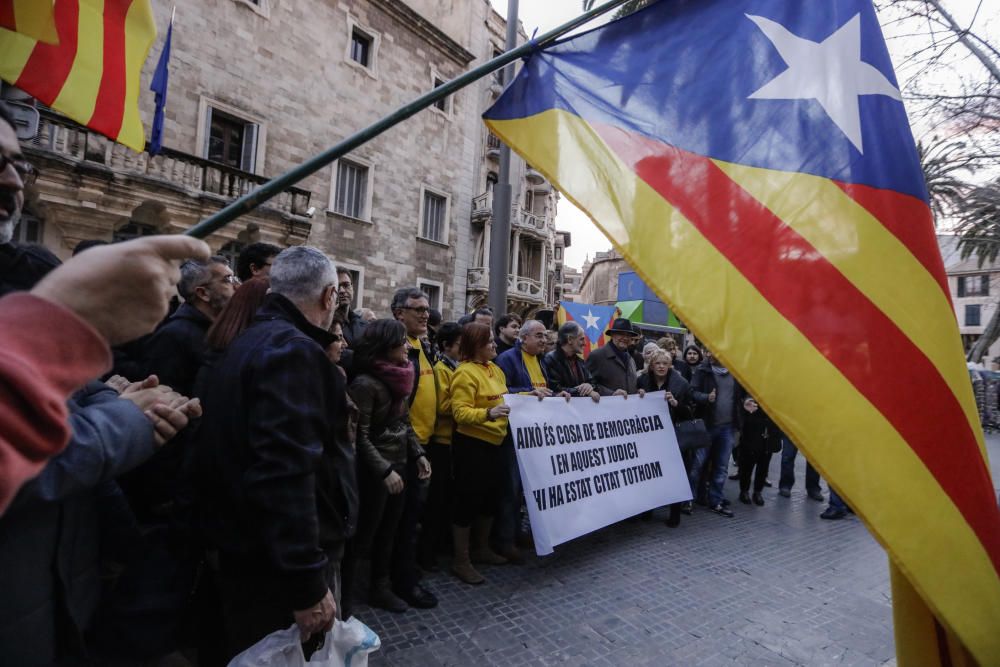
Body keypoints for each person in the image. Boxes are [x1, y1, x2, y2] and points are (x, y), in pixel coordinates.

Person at [195, 247, 357, 658]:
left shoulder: (247, 341)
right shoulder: (293, 352)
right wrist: (307, 584)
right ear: (328, 297)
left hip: (247, 549)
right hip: (273, 566)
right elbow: (284, 474)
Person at [348, 320, 431, 613]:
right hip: (376, 473)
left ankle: (380, 586)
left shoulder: (401, 377)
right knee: (366, 533)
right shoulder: (365, 384)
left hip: (400, 465)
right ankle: (346, 597)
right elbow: (360, 435)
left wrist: (418, 453)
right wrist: (384, 470)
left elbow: (403, 423)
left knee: (391, 531)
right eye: (402, 343)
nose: (408, 347)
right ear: (386, 347)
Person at [449, 322, 512, 584]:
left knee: (490, 499)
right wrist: (488, 413)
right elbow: (460, 413)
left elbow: (506, 400)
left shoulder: (495, 369)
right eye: (489, 342)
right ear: (476, 346)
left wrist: (532, 395)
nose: (495, 345)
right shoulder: (465, 373)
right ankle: (461, 561)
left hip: (495, 445)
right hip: (471, 446)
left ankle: (482, 549)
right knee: (467, 502)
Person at [389, 287, 439, 609]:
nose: (425, 314)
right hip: (404, 449)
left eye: (426, 308)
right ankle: (402, 584)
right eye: (417, 309)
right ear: (398, 314)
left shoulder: (422, 344)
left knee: (414, 518)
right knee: (402, 523)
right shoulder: (396, 348)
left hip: (423, 445)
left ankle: (406, 572)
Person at [494, 320, 555, 562]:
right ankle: (504, 540)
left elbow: (544, 388)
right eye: (539, 336)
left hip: (534, 436)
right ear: (524, 338)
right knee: (510, 489)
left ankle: (518, 533)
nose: (543, 340)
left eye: (545, 336)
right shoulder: (508, 359)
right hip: (512, 436)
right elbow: (502, 391)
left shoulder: (541, 360)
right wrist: (528, 393)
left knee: (523, 490)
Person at [143, 256, 237, 397]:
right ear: (203, 293)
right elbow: (165, 396)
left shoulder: (223, 329)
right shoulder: (173, 336)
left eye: (235, 278)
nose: (237, 286)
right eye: (228, 280)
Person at [419, 321, 462, 571]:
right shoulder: (440, 369)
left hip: (454, 442)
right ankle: (428, 552)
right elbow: (442, 406)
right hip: (441, 442)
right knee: (436, 501)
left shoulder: (455, 366)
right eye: (459, 345)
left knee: (448, 499)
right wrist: (466, 403)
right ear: (447, 346)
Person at [637, 349, 696, 527]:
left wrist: (676, 404)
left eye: (665, 363)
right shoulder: (642, 381)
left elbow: (690, 412)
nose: (661, 366)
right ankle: (648, 509)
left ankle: (675, 512)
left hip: (673, 437)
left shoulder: (681, 383)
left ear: (670, 365)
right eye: (657, 363)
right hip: (650, 436)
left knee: (674, 476)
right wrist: (637, 396)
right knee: (650, 473)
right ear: (651, 365)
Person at [689, 350, 743, 517]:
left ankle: (716, 500)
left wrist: (747, 402)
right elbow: (692, 392)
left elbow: (743, 395)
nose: (715, 354)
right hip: (706, 426)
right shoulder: (702, 370)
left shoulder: (736, 372)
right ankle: (688, 500)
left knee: (721, 467)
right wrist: (706, 397)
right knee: (697, 465)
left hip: (727, 427)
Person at [737, 396, 781, 506]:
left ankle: (758, 492)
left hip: (770, 428)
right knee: (748, 462)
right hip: (753, 423)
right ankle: (744, 491)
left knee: (764, 463)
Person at [542, 322, 602, 400]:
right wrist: (584, 391)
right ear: (570, 339)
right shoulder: (550, 360)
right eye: (582, 339)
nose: (585, 343)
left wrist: (589, 386)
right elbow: (555, 389)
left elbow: (593, 383)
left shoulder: (580, 362)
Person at [587, 318, 643, 397]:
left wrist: (637, 391)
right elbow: (588, 384)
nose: (625, 338)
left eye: (628, 335)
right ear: (612, 334)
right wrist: (611, 393)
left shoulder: (631, 360)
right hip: (606, 407)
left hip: (628, 408)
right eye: (621, 334)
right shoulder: (597, 356)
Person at [778, 437, 824, 501]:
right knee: (788, 456)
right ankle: (785, 485)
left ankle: (813, 488)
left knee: (813, 458)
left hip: (813, 429)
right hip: (793, 428)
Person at [335, 268, 366, 346]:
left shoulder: (363, 324)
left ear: (352, 288)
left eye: (346, 285)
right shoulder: (325, 323)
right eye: (337, 286)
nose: (341, 290)